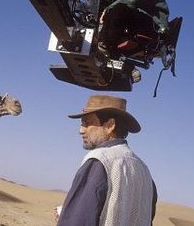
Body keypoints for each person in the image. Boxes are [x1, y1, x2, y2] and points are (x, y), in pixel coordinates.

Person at [56, 95, 157, 226]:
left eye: (87, 123)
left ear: (110, 126)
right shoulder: (145, 171)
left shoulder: (100, 160)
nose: (81, 130)